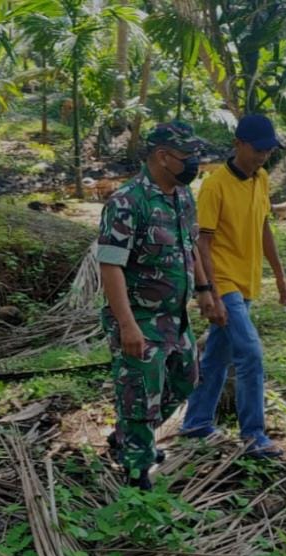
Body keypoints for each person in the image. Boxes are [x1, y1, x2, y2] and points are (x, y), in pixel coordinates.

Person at [97, 120, 219, 490]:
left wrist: (204, 289)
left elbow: (191, 244)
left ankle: (131, 437)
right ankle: (137, 473)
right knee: (139, 397)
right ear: (163, 157)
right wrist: (128, 325)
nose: (195, 162)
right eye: (188, 155)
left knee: (186, 381)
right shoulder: (127, 202)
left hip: (174, 317)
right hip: (141, 318)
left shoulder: (181, 196)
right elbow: (111, 266)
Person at [179, 114, 286, 458]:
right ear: (238, 144)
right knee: (250, 353)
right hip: (223, 280)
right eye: (258, 149)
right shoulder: (214, 185)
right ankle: (254, 434)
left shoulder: (261, 179)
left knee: (217, 355)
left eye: (269, 150)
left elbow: (263, 227)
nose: (263, 156)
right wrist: (210, 291)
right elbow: (204, 244)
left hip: (247, 281)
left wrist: (280, 275)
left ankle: (196, 421)